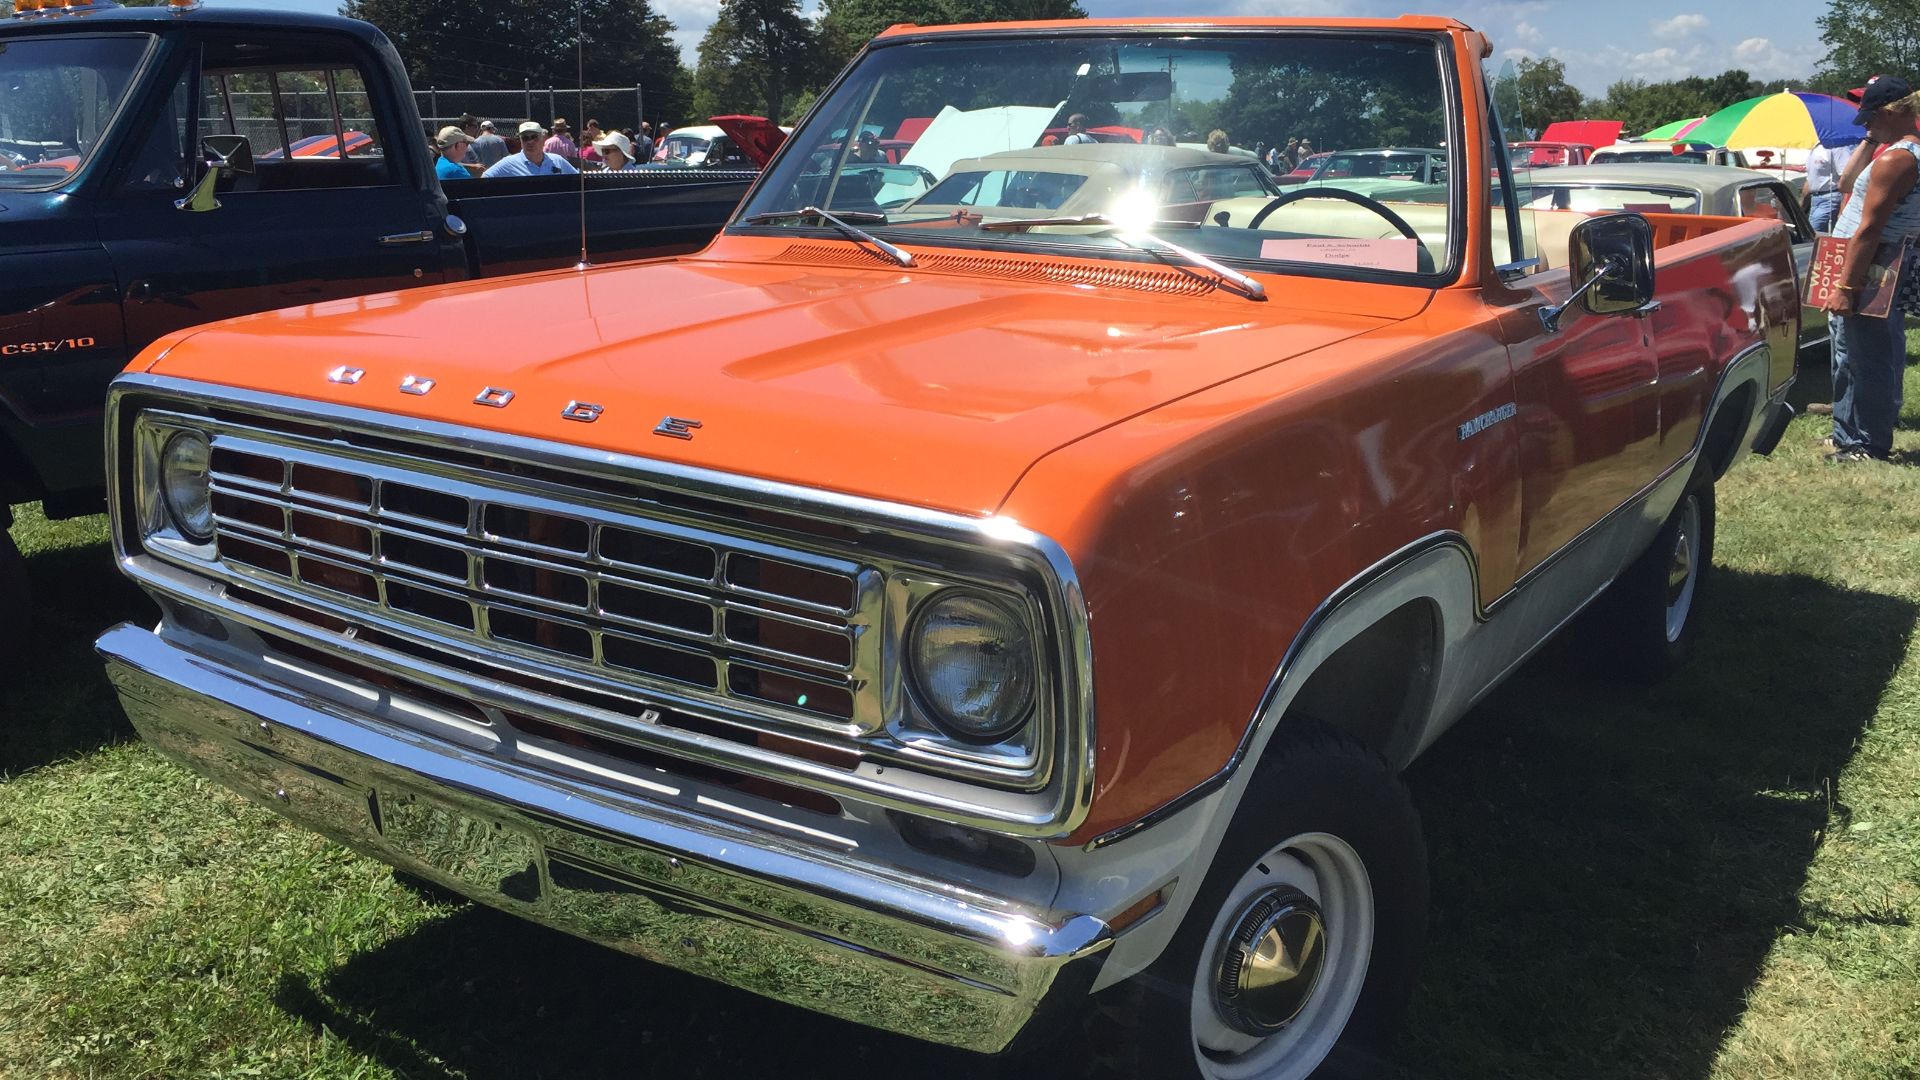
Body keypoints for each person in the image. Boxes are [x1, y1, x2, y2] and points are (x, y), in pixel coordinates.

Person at [1819, 75, 1920, 463]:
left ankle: (1868, 443)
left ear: (1893, 112)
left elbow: (1870, 227)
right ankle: (1848, 437)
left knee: (1867, 355)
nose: (1865, 126)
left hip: (1870, 261)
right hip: (1875, 258)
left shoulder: (1897, 159)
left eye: (1870, 118)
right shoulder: (1901, 152)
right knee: (1850, 350)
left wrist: (1847, 285)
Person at [482, 121, 579, 177]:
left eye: (534, 137)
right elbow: (486, 177)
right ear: (520, 140)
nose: (530, 141)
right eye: (525, 138)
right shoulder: (508, 163)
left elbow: (577, 180)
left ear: (542, 138)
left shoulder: (558, 161)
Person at [1807, 137, 1860, 233]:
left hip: (1830, 198)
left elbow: (1846, 177)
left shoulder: (1838, 147)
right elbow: (1810, 177)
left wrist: (1842, 209)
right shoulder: (1817, 147)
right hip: (1815, 198)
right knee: (1811, 232)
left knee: (1816, 234)